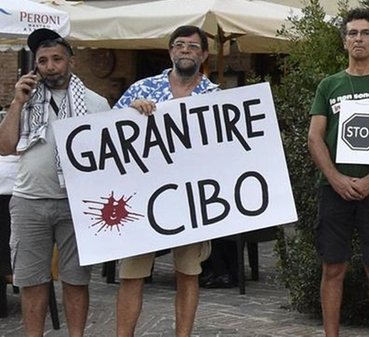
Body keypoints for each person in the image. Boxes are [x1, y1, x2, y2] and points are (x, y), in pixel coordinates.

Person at [0, 29, 109, 337]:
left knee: (76, 280)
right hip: (28, 201)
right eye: (43, 61)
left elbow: (110, 154)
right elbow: (5, 146)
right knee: (32, 281)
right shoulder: (26, 99)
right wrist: (17, 102)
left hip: (76, 203)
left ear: (71, 61)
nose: (50, 66)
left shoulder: (97, 103)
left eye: (57, 59)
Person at [308, 9, 369, 337]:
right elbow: (314, 137)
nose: (358, 39)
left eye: (365, 33)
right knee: (333, 266)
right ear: (344, 41)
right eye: (352, 33)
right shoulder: (329, 85)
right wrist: (336, 178)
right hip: (333, 188)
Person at [114, 25, 219, 337]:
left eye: (192, 46)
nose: (185, 50)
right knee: (131, 275)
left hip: (192, 198)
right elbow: (108, 134)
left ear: (203, 55)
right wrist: (130, 113)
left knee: (188, 273)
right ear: (171, 51)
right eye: (179, 45)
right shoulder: (141, 89)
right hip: (143, 198)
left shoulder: (215, 97)